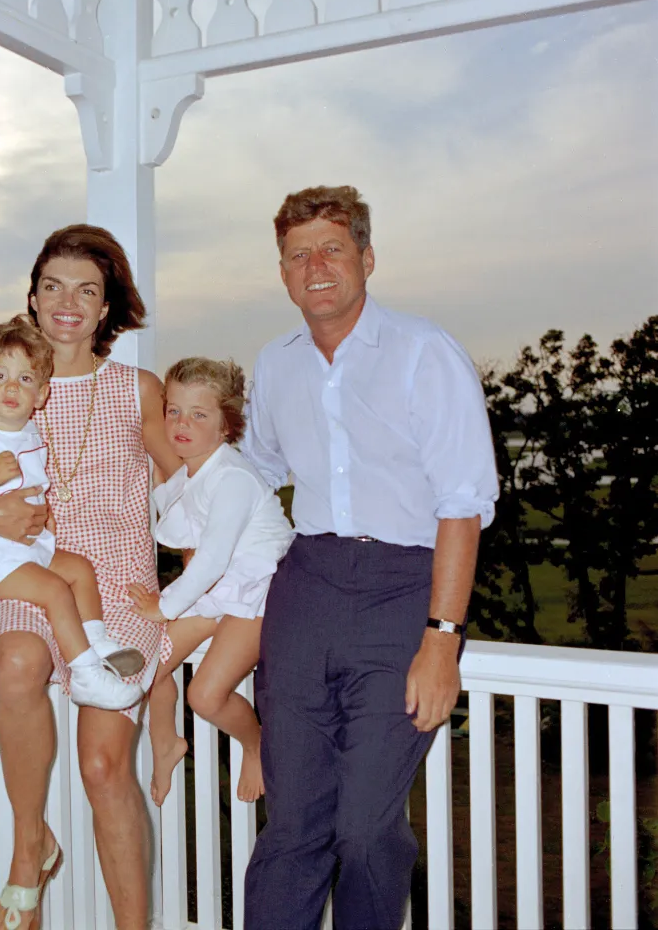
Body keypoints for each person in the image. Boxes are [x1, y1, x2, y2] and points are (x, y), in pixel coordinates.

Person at [0, 225, 179, 930]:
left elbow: (194, 493)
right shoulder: (2, 385)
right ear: (31, 294)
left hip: (115, 584)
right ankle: (30, 847)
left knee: (104, 768)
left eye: (87, 290)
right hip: (27, 570)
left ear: (108, 307)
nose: (66, 302)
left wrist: (210, 591)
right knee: (18, 660)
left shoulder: (138, 390)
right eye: (52, 285)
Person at [241, 185, 498, 930]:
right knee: (291, 826)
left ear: (366, 258)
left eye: (331, 248)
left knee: (363, 829)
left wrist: (441, 641)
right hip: (304, 592)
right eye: (297, 254)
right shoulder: (276, 363)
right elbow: (252, 477)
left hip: (400, 595)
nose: (314, 266)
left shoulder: (424, 352)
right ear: (283, 272)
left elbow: (461, 502)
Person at [0, 314, 144, 710]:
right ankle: (86, 676)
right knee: (54, 590)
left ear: (41, 395)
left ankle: (96, 641)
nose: (11, 387)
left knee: (79, 569)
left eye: (25, 379)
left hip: (26, 549)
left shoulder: (29, 434)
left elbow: (29, 487)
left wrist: (44, 511)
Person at [127, 357, 293, 807]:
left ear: (226, 426)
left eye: (199, 415)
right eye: (174, 411)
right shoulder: (193, 471)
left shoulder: (233, 477)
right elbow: (180, 530)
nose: (182, 423)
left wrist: (161, 607)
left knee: (204, 695)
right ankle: (168, 743)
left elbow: (213, 559)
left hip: (257, 595)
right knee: (146, 668)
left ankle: (255, 743)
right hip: (217, 595)